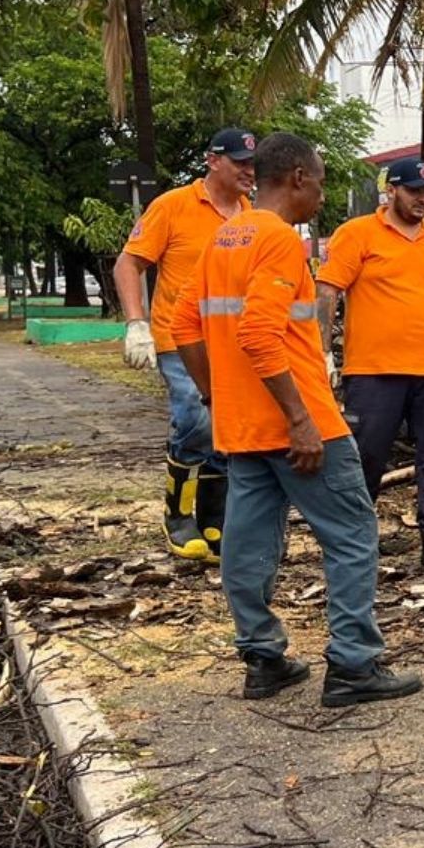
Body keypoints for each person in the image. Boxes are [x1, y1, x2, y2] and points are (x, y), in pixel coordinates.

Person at [171, 132, 422, 708]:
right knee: (352, 535)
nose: (323, 195)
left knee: (247, 542)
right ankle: (354, 664)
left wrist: (214, 395)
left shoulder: (223, 238)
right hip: (301, 425)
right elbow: (259, 334)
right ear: (299, 178)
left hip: (242, 428)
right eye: (322, 182)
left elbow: (183, 325)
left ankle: (263, 659)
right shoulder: (281, 240)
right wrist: (299, 420)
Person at [315, 156, 424, 568]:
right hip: (374, 371)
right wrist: (322, 351)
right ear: (391, 191)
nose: (422, 199)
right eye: (413, 191)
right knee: (366, 458)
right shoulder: (358, 234)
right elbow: (328, 291)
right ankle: (353, 540)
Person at [114, 128, 258, 561]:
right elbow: (128, 263)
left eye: (253, 165)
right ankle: (177, 514)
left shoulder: (252, 214)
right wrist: (135, 324)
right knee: (196, 420)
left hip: (232, 342)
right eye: (240, 163)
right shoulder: (173, 205)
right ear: (213, 161)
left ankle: (213, 520)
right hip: (179, 338)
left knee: (227, 428)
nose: (249, 172)